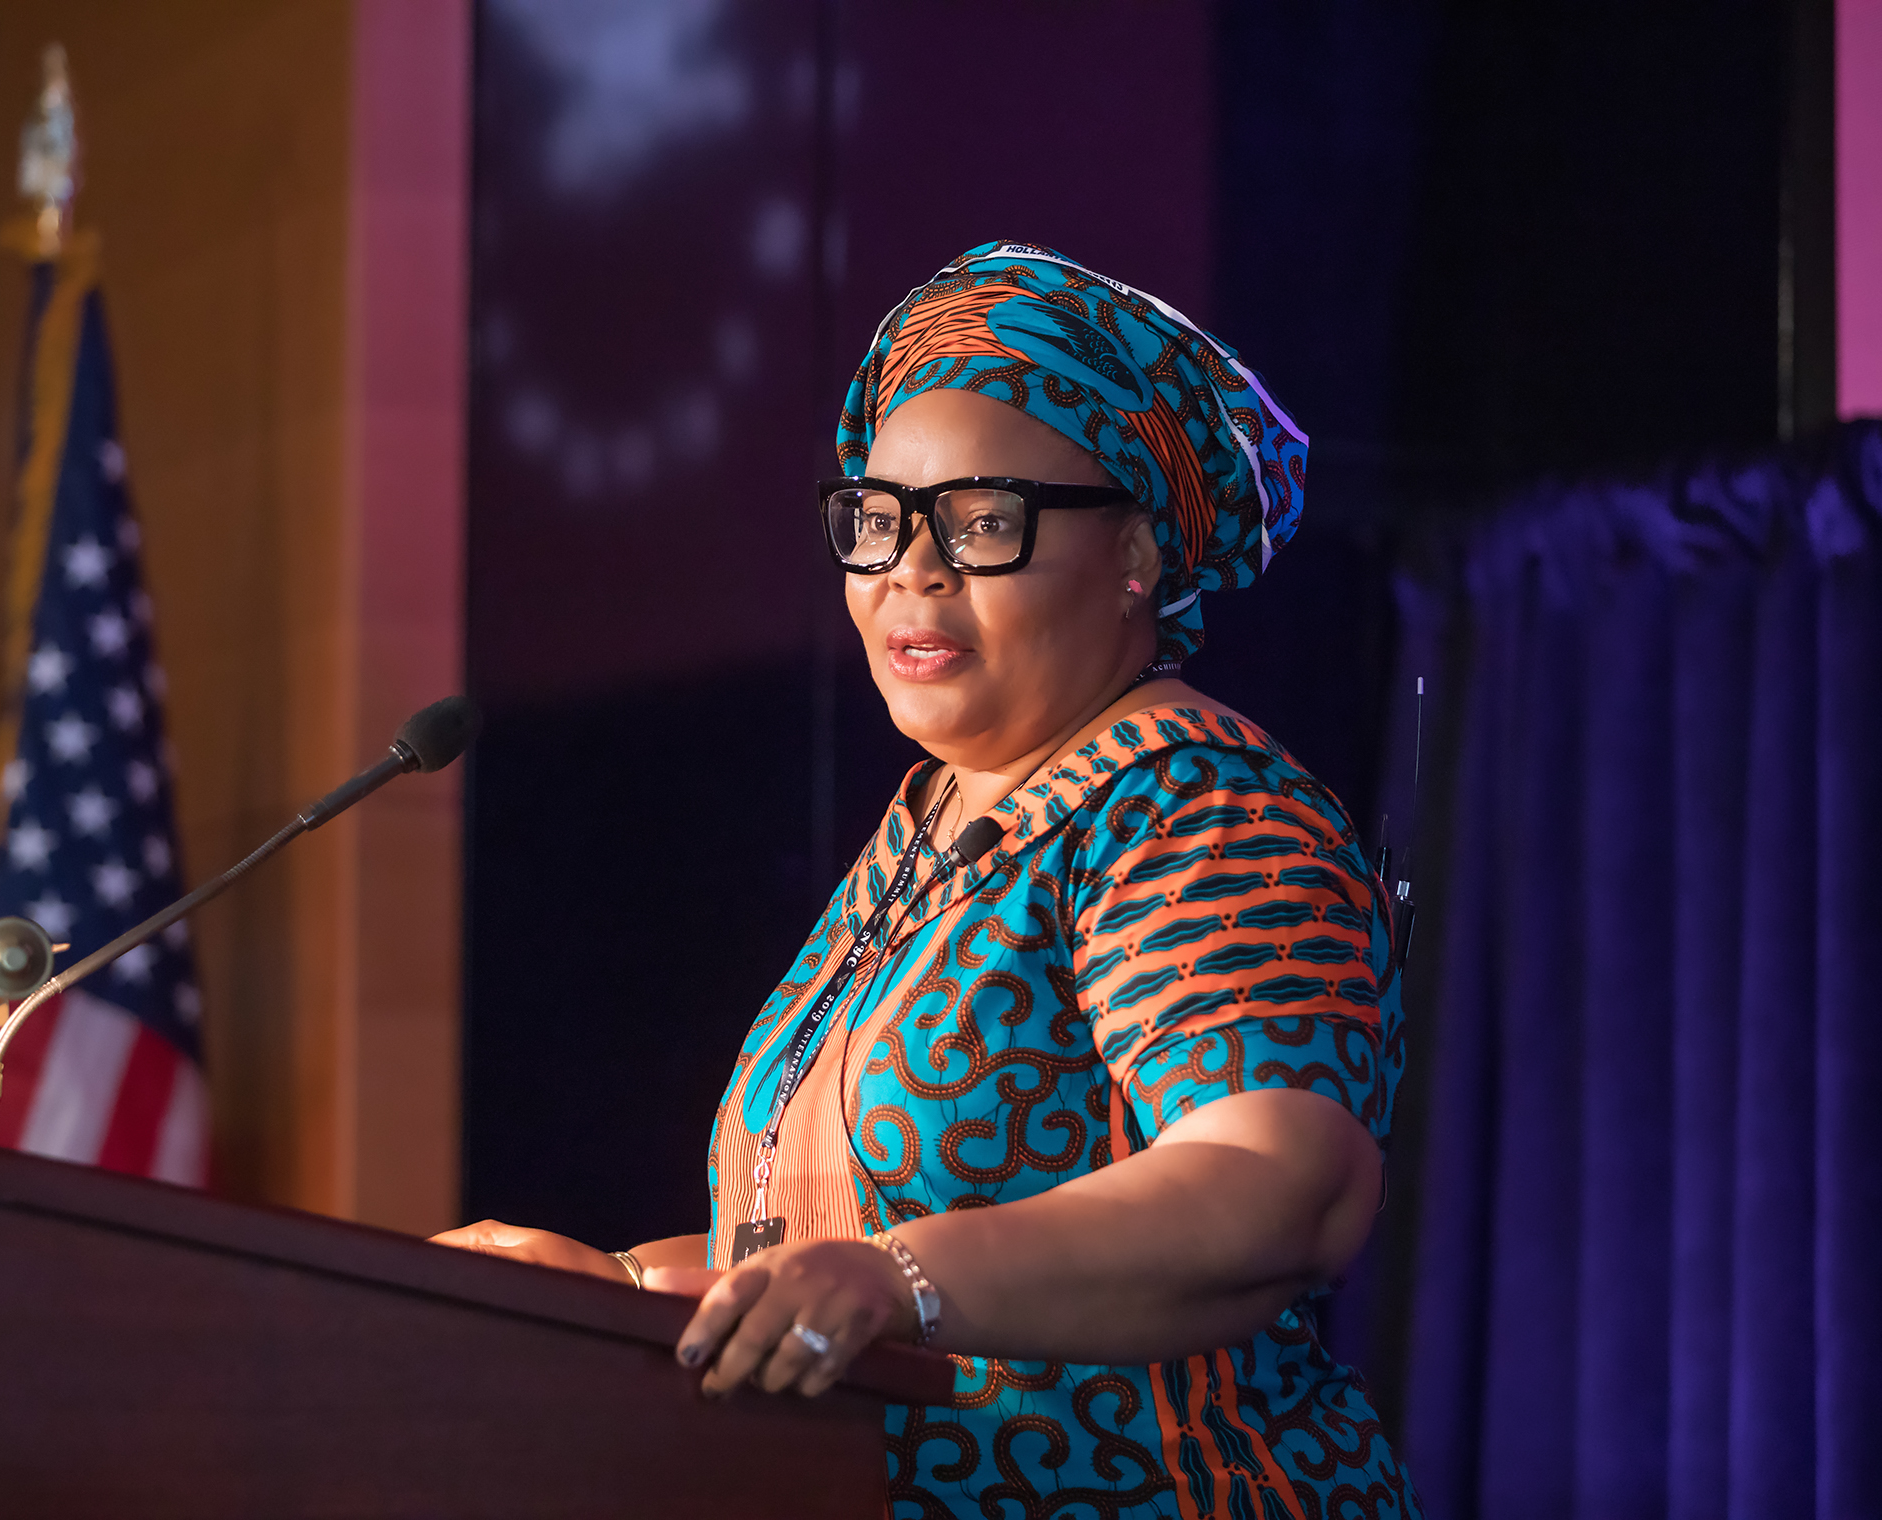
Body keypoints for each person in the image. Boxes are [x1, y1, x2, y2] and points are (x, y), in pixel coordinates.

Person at [437, 241, 1420, 1518]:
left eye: (985, 520)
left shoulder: (1190, 801)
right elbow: (836, 1252)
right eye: (878, 518)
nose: (913, 566)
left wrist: (898, 1277)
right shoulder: (935, 829)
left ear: (1137, 550)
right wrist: (613, 1285)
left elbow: (1282, 1184)